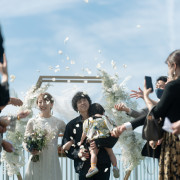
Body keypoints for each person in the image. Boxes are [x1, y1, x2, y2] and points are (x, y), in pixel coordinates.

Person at [62, 92, 118, 180]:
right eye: (79, 101)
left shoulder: (102, 120)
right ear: (76, 107)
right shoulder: (71, 125)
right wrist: (78, 153)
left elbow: (114, 137)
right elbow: (65, 146)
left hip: (103, 163)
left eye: (84, 100)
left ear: (89, 103)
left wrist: (98, 143)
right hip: (83, 167)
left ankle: (114, 167)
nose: (82, 103)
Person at [142, 50, 180, 179]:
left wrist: (146, 97)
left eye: (168, 67)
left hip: (174, 140)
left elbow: (157, 112)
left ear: (174, 66)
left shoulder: (173, 86)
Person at [23, 92, 66, 180]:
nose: (42, 104)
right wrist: (30, 149)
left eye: (46, 101)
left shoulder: (59, 122)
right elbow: (25, 141)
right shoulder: (32, 121)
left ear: (52, 104)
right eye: (40, 102)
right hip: (36, 158)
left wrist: (64, 146)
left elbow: (69, 136)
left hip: (51, 159)